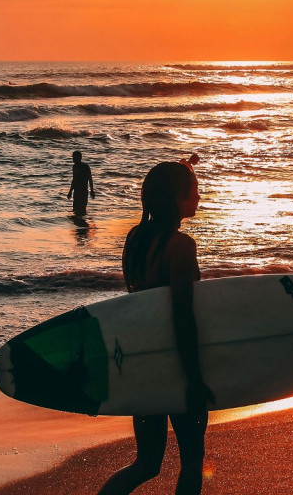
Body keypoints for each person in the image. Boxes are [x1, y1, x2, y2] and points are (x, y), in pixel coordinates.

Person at [99, 161, 213, 495]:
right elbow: (182, 316)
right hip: (174, 366)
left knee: (146, 463)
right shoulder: (180, 246)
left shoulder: (136, 239)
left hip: (143, 363)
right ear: (178, 197)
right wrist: (193, 380)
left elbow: (140, 306)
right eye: (193, 188)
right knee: (192, 460)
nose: (199, 195)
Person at [66, 150, 95, 215]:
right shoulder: (74, 166)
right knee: (75, 210)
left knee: (82, 210)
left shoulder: (85, 166)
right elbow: (74, 180)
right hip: (76, 191)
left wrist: (92, 191)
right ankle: (78, 224)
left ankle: (82, 223)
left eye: (74, 157)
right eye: (73, 157)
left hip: (83, 191)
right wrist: (70, 191)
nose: (73, 159)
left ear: (79, 158)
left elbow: (90, 179)